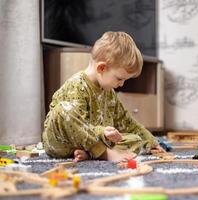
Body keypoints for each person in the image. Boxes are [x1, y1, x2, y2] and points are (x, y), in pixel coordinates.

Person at [42, 31, 164, 162]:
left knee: (137, 140)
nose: (121, 84)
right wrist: (101, 132)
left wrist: (152, 141)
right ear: (101, 68)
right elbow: (76, 124)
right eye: (119, 79)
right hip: (62, 143)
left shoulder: (109, 92)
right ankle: (104, 153)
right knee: (62, 111)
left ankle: (91, 154)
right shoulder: (77, 85)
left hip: (90, 143)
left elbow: (127, 121)